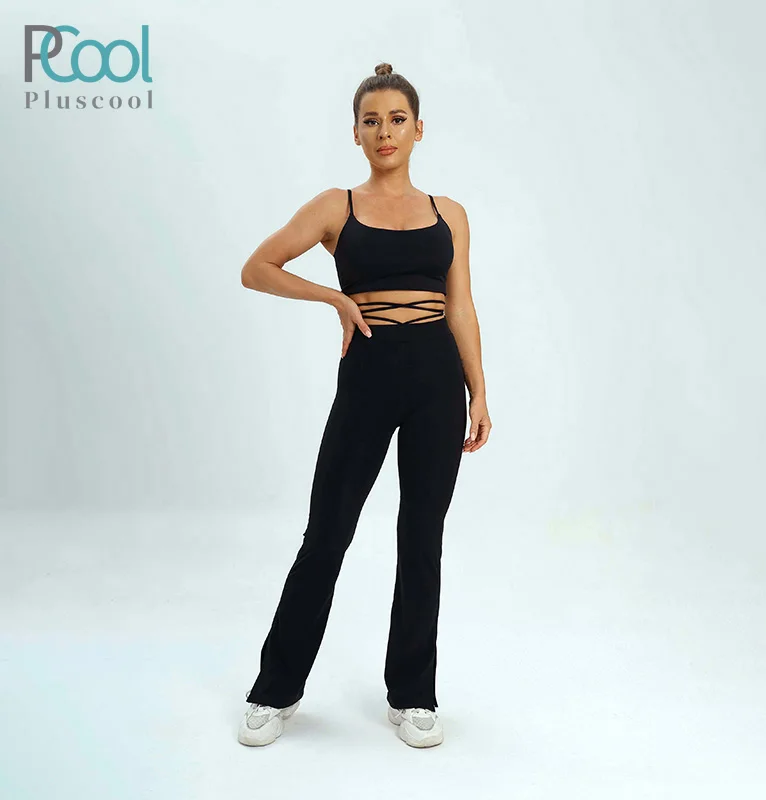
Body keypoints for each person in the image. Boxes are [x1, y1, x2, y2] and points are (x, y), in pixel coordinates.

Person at [237, 62, 491, 749]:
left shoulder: (449, 213)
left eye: (397, 119)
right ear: (355, 133)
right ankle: (275, 690)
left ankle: (412, 696)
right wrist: (335, 299)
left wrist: (479, 390)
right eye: (371, 121)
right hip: (369, 372)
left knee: (422, 536)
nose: (385, 131)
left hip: (437, 376)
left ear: (418, 129)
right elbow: (257, 268)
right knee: (327, 533)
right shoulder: (336, 206)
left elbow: (461, 305)